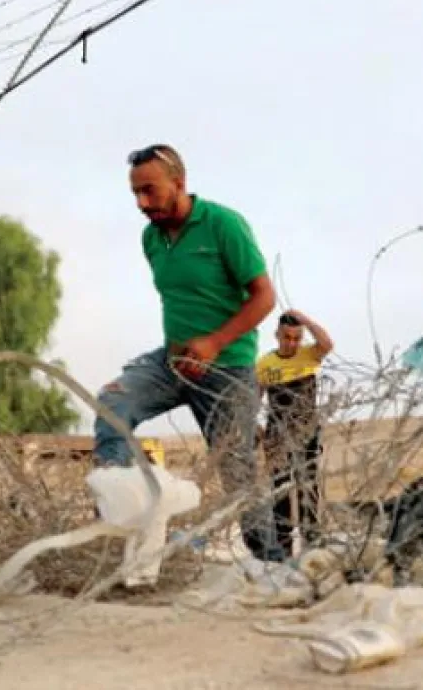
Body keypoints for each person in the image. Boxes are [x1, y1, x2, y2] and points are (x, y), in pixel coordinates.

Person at [92, 143, 284, 561]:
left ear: (179, 183)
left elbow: (265, 297)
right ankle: (122, 525)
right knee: (111, 405)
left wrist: (214, 342)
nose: (143, 203)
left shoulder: (223, 225)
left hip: (226, 369)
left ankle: (271, 562)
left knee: (239, 472)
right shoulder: (151, 237)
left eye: (150, 191)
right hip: (171, 361)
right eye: (135, 194)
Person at [254, 309, 334, 560]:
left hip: (306, 431)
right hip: (277, 435)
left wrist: (307, 320)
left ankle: (312, 546)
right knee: (280, 491)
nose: (291, 343)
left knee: (307, 488)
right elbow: (255, 399)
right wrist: (257, 427)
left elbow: (326, 344)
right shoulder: (265, 364)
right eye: (286, 337)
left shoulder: (309, 355)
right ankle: (284, 549)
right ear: (277, 335)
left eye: (296, 338)